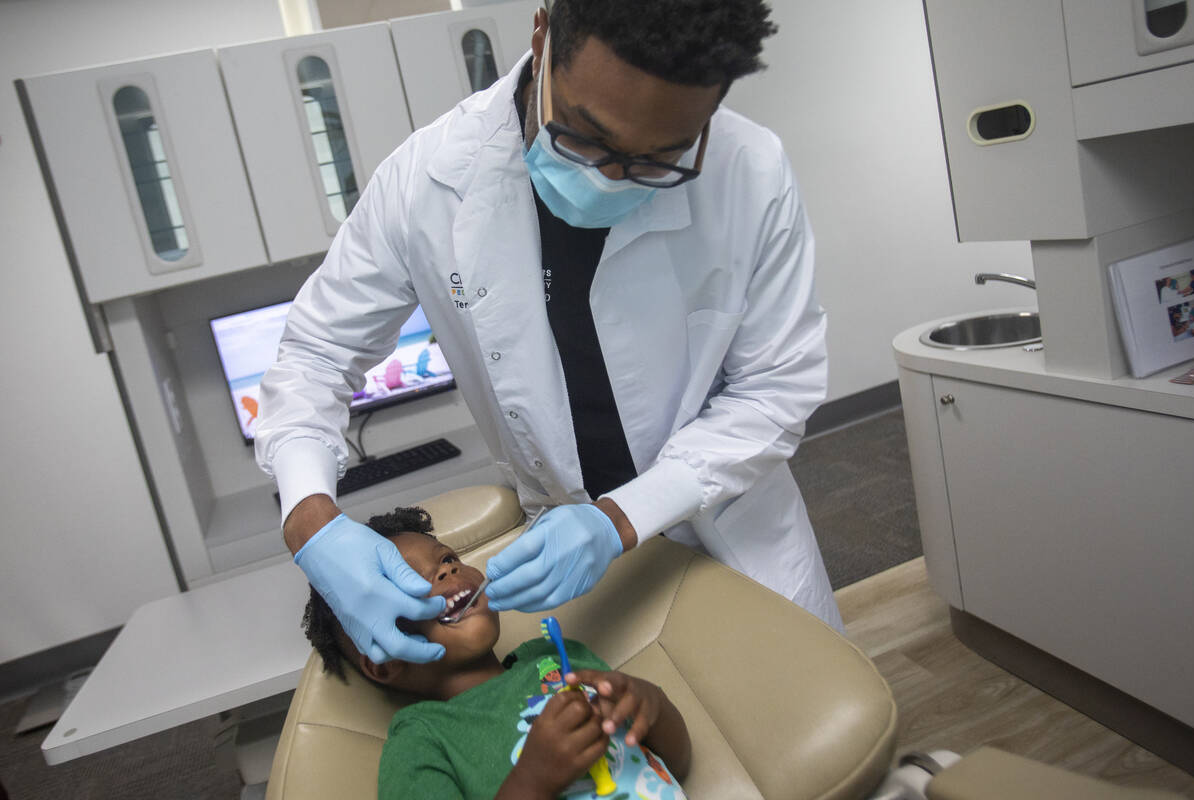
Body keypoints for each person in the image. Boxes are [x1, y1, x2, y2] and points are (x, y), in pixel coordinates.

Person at [256, 0, 841, 669]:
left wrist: (620, 518)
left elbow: (775, 387)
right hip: (570, 565)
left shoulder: (750, 171)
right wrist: (312, 524)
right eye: (586, 137)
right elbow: (313, 357)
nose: (610, 177)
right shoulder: (427, 182)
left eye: (660, 158)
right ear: (542, 38)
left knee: (806, 719)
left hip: (732, 527)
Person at [302, 505, 691, 800]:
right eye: (408, 583)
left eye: (448, 558)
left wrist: (650, 705)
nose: (446, 573)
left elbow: (679, 763)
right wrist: (533, 780)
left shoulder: (556, 656)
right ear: (383, 660)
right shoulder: (422, 737)